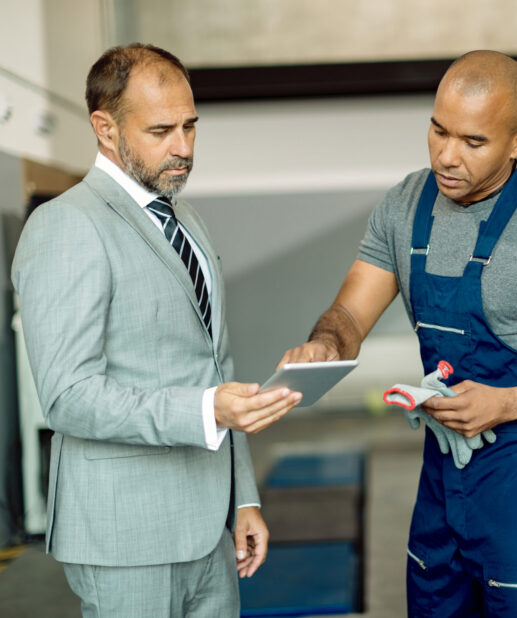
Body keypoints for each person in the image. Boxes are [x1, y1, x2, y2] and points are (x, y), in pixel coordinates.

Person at [280, 50, 517, 617]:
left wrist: (511, 402)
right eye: (438, 130)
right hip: (443, 483)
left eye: (473, 142)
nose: (447, 156)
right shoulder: (405, 204)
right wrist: (325, 344)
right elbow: (350, 315)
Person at [12, 43, 302, 617]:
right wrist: (206, 411)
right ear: (105, 128)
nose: (184, 148)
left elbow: (214, 367)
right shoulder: (66, 226)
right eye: (162, 130)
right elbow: (68, 398)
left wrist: (242, 498)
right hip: (125, 537)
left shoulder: (183, 218)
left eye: (191, 127)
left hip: (209, 529)